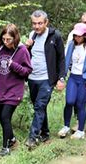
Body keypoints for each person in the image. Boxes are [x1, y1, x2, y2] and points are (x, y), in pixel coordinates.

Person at [24, 10, 66, 148]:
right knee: (39, 106)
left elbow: (61, 59)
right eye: (34, 24)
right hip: (32, 77)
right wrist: (27, 47)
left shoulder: (55, 36)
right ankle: (45, 133)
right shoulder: (32, 35)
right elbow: (27, 56)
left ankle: (33, 137)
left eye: (40, 23)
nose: (37, 27)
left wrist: (61, 78)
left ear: (46, 22)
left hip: (47, 78)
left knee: (39, 105)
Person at [0, 24, 32, 157]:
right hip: (0, 90)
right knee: (1, 118)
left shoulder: (22, 51)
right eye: (4, 39)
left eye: (9, 39)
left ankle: (5, 148)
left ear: (15, 38)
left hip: (14, 91)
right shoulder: (0, 48)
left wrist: (13, 65)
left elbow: (27, 72)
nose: (6, 42)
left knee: (5, 117)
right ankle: (12, 140)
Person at [57, 23, 86, 139]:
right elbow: (66, 61)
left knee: (80, 104)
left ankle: (80, 131)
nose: (77, 38)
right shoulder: (71, 45)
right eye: (75, 35)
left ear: (85, 35)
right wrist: (62, 78)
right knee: (69, 102)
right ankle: (66, 126)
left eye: (80, 36)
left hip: (85, 78)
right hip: (73, 77)